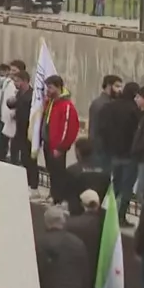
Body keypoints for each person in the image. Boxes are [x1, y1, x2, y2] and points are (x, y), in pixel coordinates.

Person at [34, 207, 88, 288]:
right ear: (62, 222)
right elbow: (84, 268)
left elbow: (39, 270)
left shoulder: (41, 242)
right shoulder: (77, 242)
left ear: (46, 222)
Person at [101, 82, 142, 226]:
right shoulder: (134, 110)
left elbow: (104, 128)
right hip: (130, 155)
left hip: (114, 153)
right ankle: (120, 216)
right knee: (127, 188)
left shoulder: (111, 106)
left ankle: (108, 213)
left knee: (115, 186)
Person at [65, 190, 105, 288]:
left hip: (77, 275)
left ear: (83, 204)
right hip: (99, 273)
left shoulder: (71, 224)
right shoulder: (105, 224)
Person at [42, 75, 80, 205]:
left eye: (50, 87)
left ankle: (59, 198)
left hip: (57, 146)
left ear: (58, 88)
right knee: (52, 171)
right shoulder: (51, 103)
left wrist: (61, 146)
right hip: (47, 143)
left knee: (59, 173)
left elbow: (68, 128)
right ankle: (53, 194)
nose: (48, 90)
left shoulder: (66, 106)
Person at [88, 75, 123, 173]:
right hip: (101, 149)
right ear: (108, 86)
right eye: (117, 86)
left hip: (108, 149)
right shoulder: (100, 104)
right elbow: (95, 129)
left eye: (120, 87)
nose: (120, 90)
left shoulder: (112, 102)